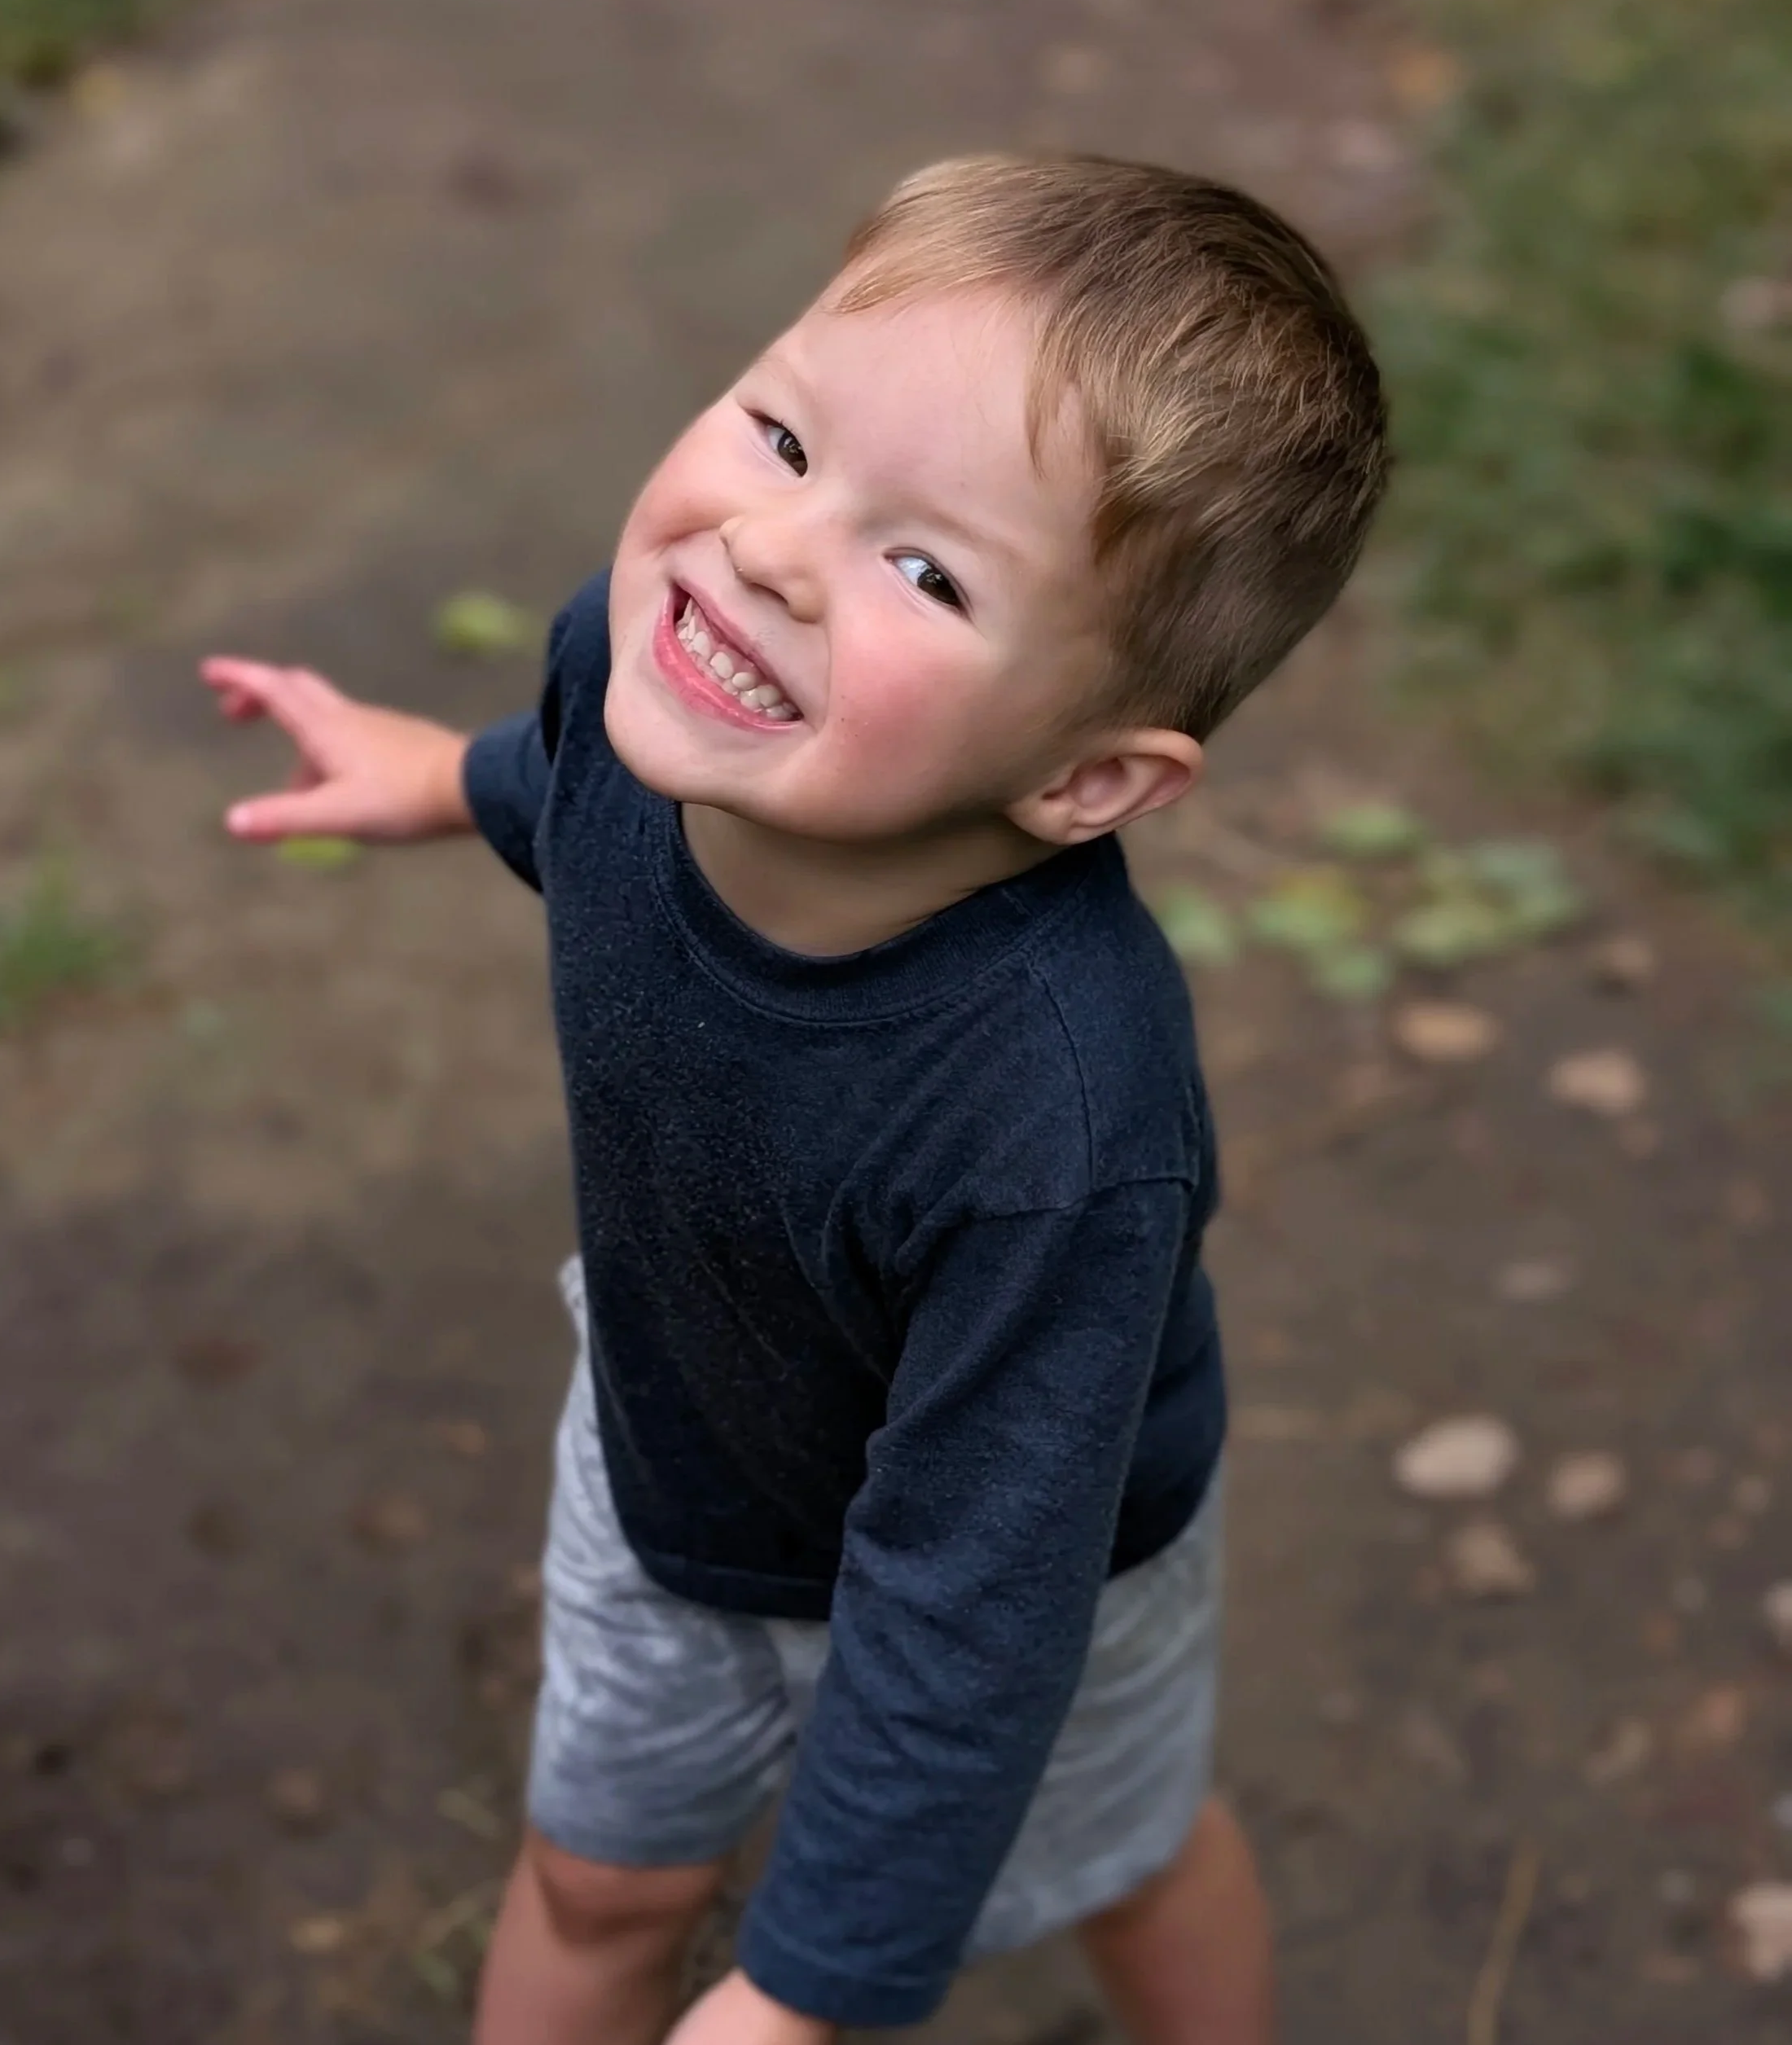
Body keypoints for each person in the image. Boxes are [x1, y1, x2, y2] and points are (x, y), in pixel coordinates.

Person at [203, 155, 1388, 2045]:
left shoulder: (1055, 1126)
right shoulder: (634, 659)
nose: (767, 549)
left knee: (1126, 1857)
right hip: (679, 1454)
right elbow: (575, 780)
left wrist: (803, 1995)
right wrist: (442, 776)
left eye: (925, 568)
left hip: (1027, 1561)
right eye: (779, 435)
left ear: (1088, 778)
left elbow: (971, 1615)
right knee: (597, 1876)